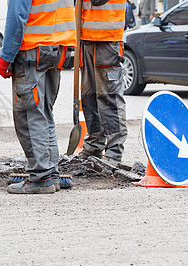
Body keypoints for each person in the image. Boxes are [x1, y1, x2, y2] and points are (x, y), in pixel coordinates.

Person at [0, 0, 76, 194]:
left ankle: (41, 177)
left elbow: (17, 17)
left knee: (29, 115)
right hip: (57, 46)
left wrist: (6, 55)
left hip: (33, 48)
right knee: (44, 113)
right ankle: (51, 174)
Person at [78, 0, 128, 164]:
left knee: (109, 98)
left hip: (107, 38)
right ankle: (94, 145)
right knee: (89, 97)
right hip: (86, 38)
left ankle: (114, 151)